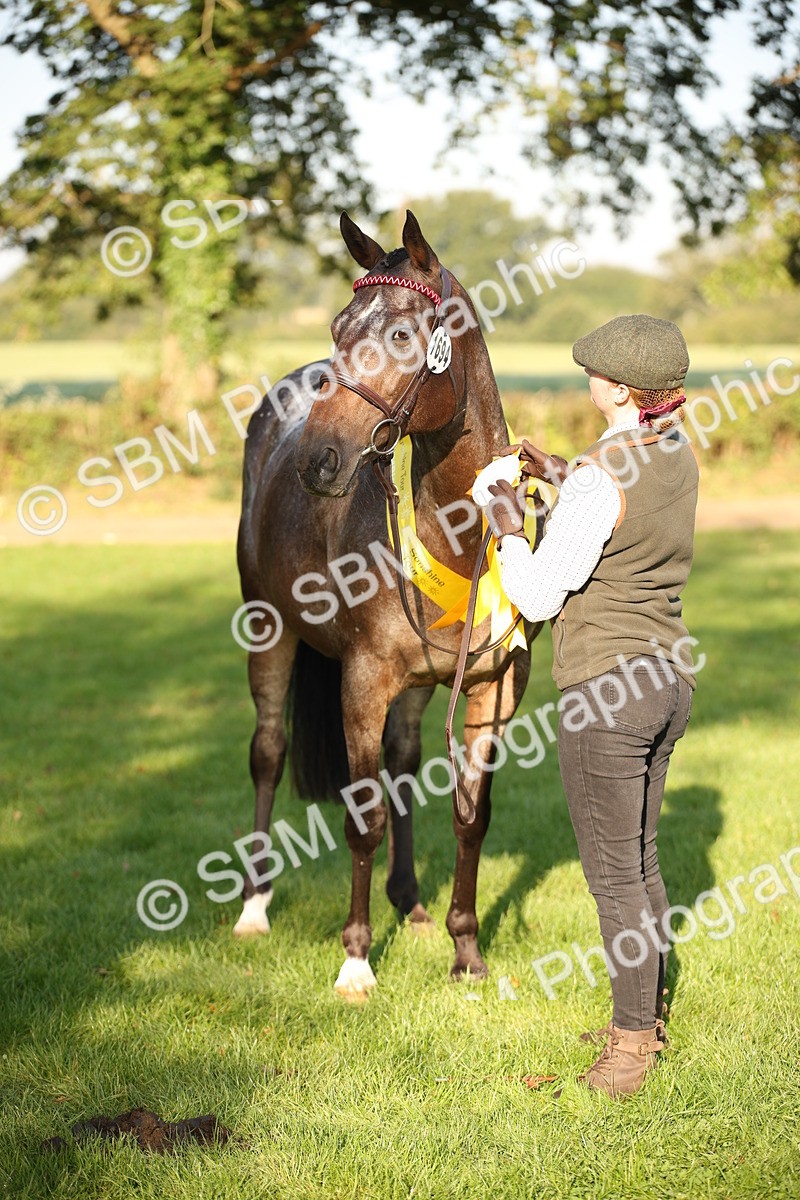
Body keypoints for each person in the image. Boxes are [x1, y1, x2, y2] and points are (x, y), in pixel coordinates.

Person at [472, 314, 699, 1098]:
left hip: (608, 692)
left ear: (616, 388)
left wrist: (505, 521)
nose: (586, 376)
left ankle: (630, 1051)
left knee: (612, 879)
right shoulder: (675, 451)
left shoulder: (605, 472)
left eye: (593, 370)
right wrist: (566, 474)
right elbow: (622, 514)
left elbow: (536, 592)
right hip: (668, 681)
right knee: (640, 861)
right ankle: (647, 1018)